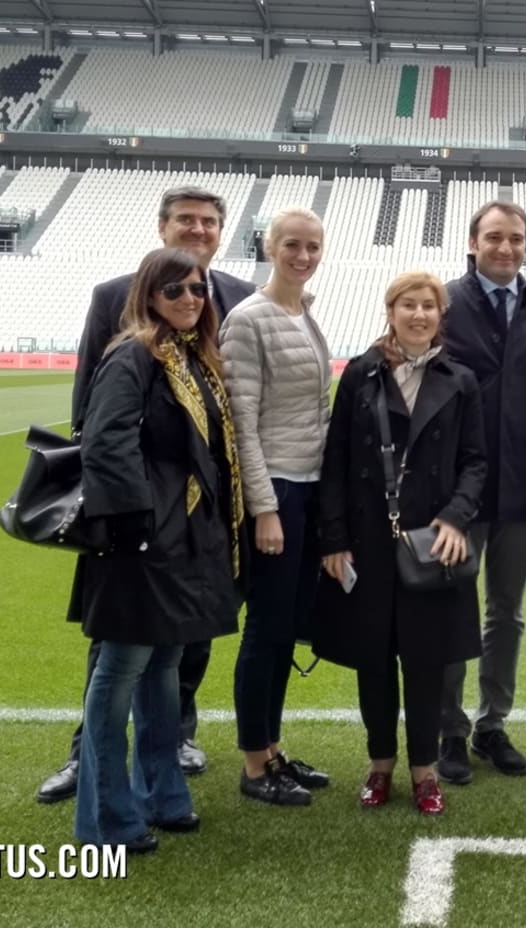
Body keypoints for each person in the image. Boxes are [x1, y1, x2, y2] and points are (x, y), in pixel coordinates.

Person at [37, 185, 254, 805]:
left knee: (185, 641)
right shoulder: (115, 301)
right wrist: (120, 512)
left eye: (209, 222)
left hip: (206, 512)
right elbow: (94, 412)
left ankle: (174, 741)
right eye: (186, 219)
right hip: (143, 514)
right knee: (122, 641)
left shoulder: (235, 297)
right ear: (162, 227)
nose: (198, 230)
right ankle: (90, 760)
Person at [72, 247, 245, 852]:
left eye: (198, 289)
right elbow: (105, 444)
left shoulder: (194, 358)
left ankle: (163, 795)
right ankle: (106, 818)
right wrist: (138, 525)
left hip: (187, 539)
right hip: (141, 540)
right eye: (175, 290)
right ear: (149, 295)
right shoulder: (134, 355)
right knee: (120, 669)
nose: (191, 299)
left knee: (166, 668)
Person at [313, 272, 486, 815]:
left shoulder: (460, 379)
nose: (418, 315)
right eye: (408, 305)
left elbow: (475, 462)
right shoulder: (361, 373)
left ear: (441, 315)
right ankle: (379, 764)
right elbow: (335, 462)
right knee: (374, 660)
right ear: (390, 311)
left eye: (428, 306)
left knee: (427, 660)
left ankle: (425, 771)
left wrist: (456, 519)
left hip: (432, 540)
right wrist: (334, 538)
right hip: (366, 539)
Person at [437, 200, 526, 784]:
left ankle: (493, 724)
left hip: (522, 488)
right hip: (458, 494)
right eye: (495, 237)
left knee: (506, 613)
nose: (507, 248)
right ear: (473, 242)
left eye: (516, 239)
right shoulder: (443, 301)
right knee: (451, 608)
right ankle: (449, 730)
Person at [221, 207, 331, 806]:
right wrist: (263, 508)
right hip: (278, 493)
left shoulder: (303, 312)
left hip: (307, 488)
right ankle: (252, 763)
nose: (303, 255)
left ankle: (273, 749)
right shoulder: (249, 319)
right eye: (292, 244)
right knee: (265, 629)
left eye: (312, 245)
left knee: (287, 628)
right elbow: (242, 423)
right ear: (270, 246)